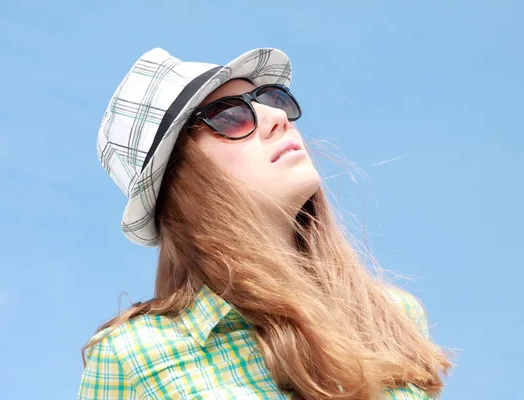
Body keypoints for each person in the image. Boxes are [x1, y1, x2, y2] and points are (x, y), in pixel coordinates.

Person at [77, 48, 453, 400]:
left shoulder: (392, 315)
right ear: (181, 180)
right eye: (229, 115)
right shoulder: (131, 356)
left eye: (273, 100)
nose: (277, 118)